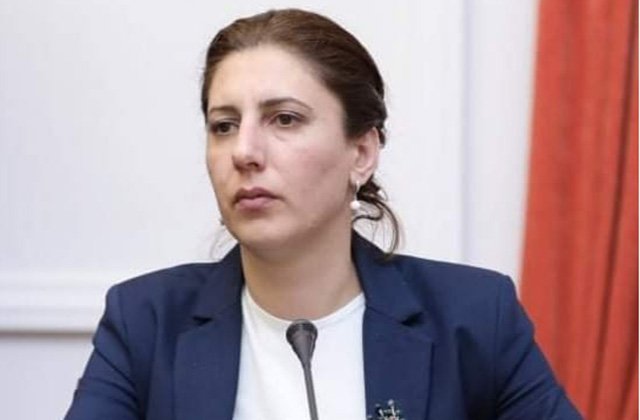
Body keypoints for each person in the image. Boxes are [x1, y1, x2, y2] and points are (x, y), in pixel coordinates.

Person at [65, 8, 582, 420]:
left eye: (284, 119)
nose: (244, 151)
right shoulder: (145, 322)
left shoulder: (474, 317)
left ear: (361, 153)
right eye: (224, 125)